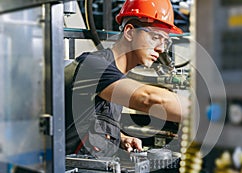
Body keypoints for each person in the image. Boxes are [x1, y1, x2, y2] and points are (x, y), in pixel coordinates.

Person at [65, 0, 189, 158]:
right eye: (155, 37)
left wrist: (120, 137)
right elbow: (147, 99)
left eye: (165, 41)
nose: (161, 48)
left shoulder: (117, 74)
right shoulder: (92, 66)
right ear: (130, 32)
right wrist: (207, 111)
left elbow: (91, 118)